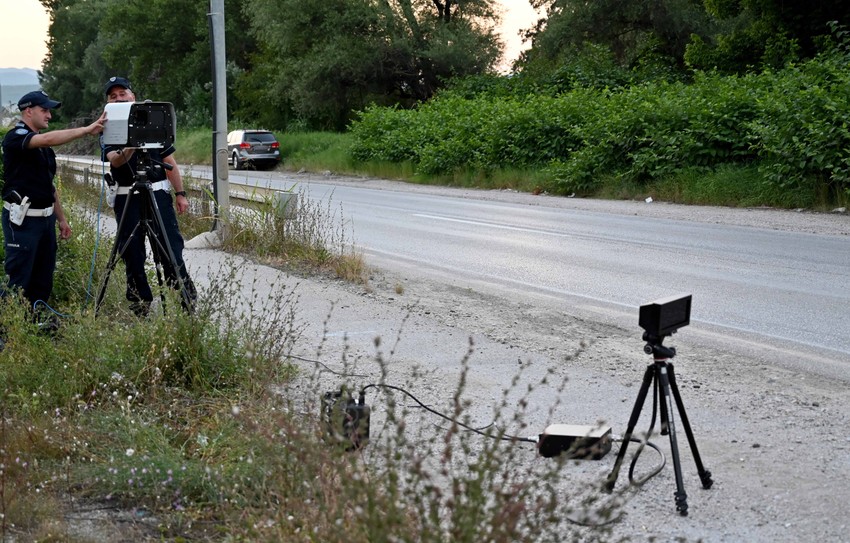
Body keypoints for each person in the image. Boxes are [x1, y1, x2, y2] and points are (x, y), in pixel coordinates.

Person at [2, 90, 106, 310]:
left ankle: (37, 321)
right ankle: (8, 333)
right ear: (28, 111)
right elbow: (48, 138)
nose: (49, 115)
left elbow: (48, 186)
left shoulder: (43, 148)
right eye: (44, 110)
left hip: (45, 221)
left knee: (43, 278)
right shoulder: (16, 137)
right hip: (22, 221)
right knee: (19, 279)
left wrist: (62, 219)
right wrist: (86, 130)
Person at [101, 76, 196, 316]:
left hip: (158, 194)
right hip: (126, 195)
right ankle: (140, 304)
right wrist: (132, 143)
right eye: (113, 96)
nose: (119, 98)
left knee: (169, 248)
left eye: (123, 93)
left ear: (132, 96)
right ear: (108, 102)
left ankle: (186, 298)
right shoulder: (108, 125)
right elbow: (115, 160)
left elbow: (169, 160)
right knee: (132, 252)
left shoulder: (151, 117)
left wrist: (180, 193)